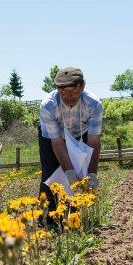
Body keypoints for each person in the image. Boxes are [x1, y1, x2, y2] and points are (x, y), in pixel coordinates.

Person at [38, 66, 103, 216]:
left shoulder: (94, 104)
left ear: (82, 86)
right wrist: (68, 171)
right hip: (53, 138)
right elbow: (57, 142)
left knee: (82, 170)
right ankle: (48, 218)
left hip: (81, 133)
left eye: (73, 91)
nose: (68, 96)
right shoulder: (48, 105)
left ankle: (73, 216)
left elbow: (94, 140)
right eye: (63, 92)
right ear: (56, 88)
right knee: (51, 175)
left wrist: (92, 173)